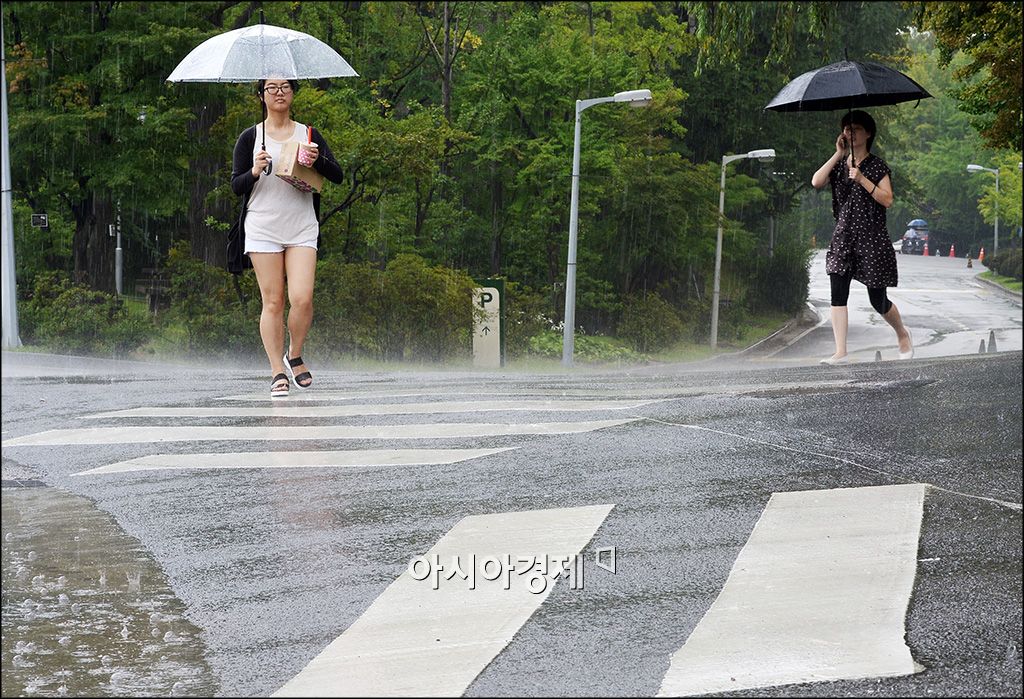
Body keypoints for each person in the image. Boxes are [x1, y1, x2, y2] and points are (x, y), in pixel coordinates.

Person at [230, 78, 345, 397]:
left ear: (293, 93)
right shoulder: (250, 137)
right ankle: (276, 370)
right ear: (261, 95)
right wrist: (253, 171)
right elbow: (236, 186)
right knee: (273, 301)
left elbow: (337, 175)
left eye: (285, 87)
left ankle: (294, 353)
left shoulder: (308, 134)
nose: (278, 92)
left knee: (302, 297)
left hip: (301, 225)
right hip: (263, 226)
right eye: (271, 88)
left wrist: (316, 158)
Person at [810, 110, 913, 365]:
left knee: (877, 299)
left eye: (855, 128)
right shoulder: (839, 165)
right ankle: (841, 351)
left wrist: (862, 178)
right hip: (843, 237)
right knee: (838, 291)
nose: (850, 132)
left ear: (868, 133)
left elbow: (887, 199)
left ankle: (902, 333)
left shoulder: (877, 166)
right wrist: (838, 154)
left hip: (872, 239)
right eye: (846, 128)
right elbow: (816, 181)